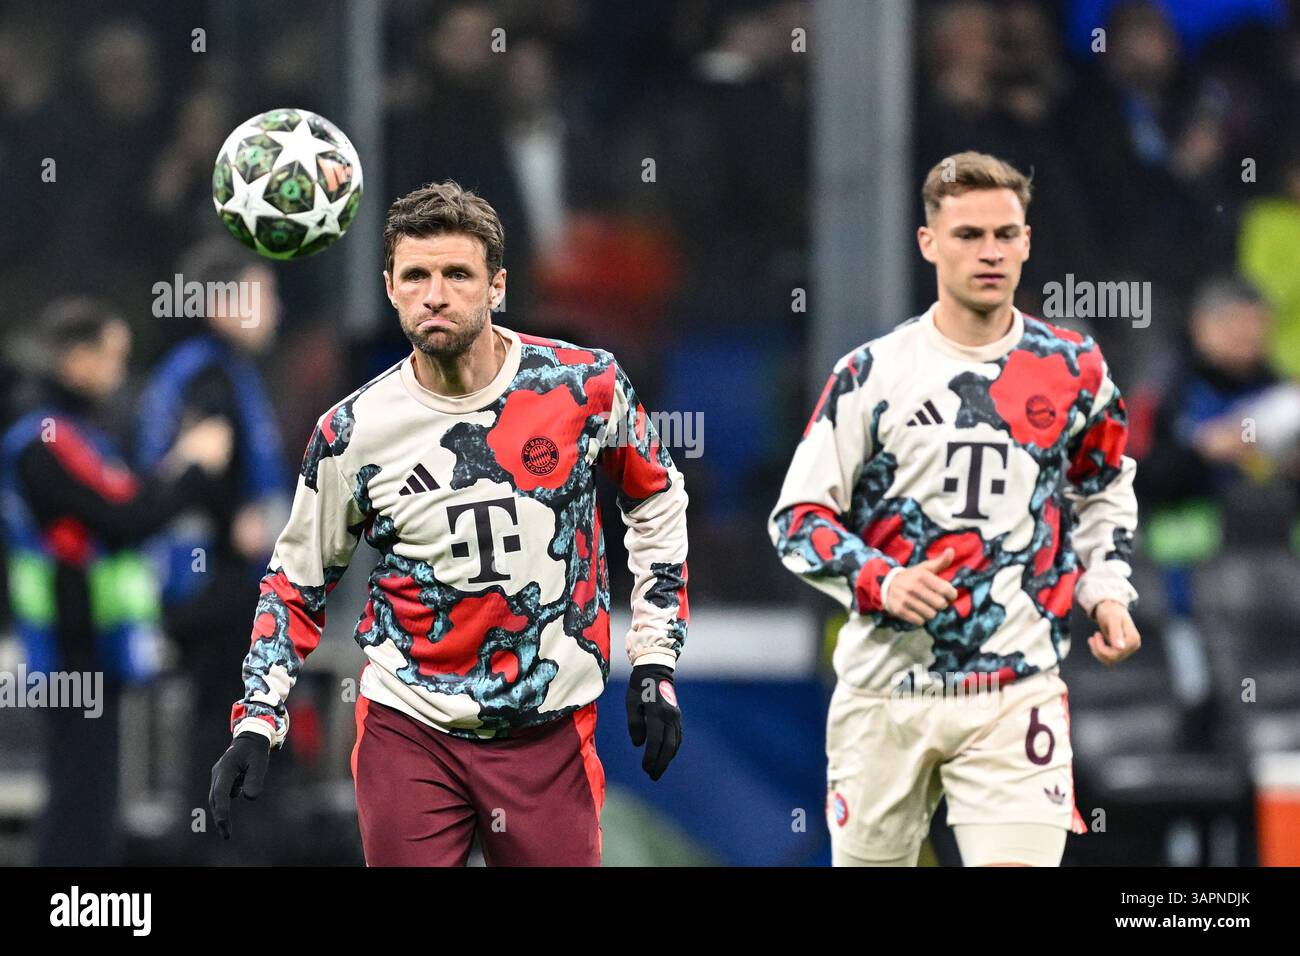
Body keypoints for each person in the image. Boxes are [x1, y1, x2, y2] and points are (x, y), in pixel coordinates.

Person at [210, 180, 690, 866]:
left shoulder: (585, 388)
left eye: (457, 274)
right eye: (416, 276)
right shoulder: (353, 432)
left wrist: (655, 658)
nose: (435, 293)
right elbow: (296, 582)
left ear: (497, 287)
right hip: (411, 728)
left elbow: (657, 500)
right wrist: (259, 719)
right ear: (390, 288)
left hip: (546, 730)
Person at [769, 152, 1142, 867]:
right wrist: (882, 579)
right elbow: (797, 521)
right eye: (969, 234)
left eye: (1006, 234)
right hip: (886, 688)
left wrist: (1104, 590)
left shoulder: (1074, 369)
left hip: (1014, 686)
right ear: (928, 242)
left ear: (1028, 241)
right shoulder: (873, 373)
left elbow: (1101, 485)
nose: (991, 251)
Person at [1, 297, 230, 865]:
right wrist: (193, 468)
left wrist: (175, 472)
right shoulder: (46, 437)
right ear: (76, 358)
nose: (117, 372)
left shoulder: (78, 431)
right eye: (110, 357)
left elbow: (127, 503)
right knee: (80, 792)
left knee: (94, 789)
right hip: (67, 642)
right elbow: (125, 521)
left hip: (93, 640)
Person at [134, 237, 291, 850]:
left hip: (204, 583)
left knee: (224, 721)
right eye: (264, 294)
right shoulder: (210, 375)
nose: (274, 308)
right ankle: (220, 849)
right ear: (225, 303)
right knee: (233, 723)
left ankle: (214, 844)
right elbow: (200, 461)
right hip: (215, 585)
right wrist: (236, 522)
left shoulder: (204, 368)